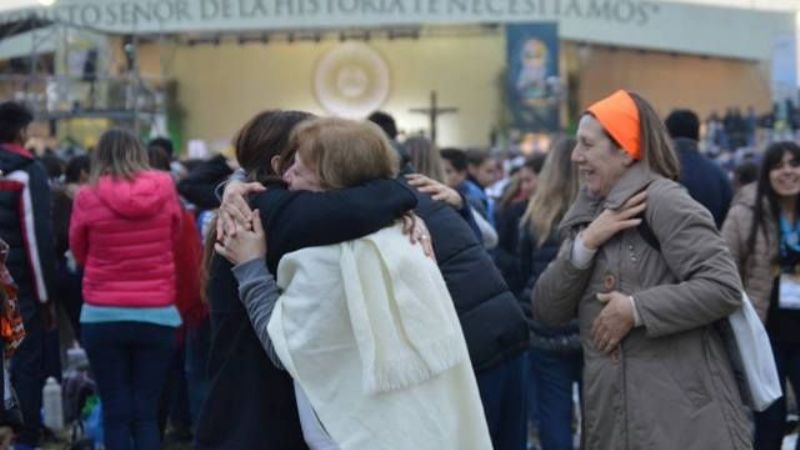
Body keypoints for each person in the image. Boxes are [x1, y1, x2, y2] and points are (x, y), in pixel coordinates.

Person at [217, 117, 492, 449]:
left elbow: (286, 349)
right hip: (427, 426)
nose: (285, 178)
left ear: (328, 178)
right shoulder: (403, 231)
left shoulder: (323, 257)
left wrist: (250, 267)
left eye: (298, 170)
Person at [531, 89, 750, 449]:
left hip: (680, 426)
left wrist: (635, 310)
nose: (575, 156)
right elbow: (547, 310)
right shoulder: (586, 213)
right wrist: (586, 244)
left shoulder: (665, 200)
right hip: (613, 420)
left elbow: (723, 287)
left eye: (587, 144)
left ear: (625, 150)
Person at [196, 110, 419, 450]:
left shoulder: (255, 203)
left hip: (244, 408)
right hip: (258, 416)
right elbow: (363, 206)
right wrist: (402, 202)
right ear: (279, 163)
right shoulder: (268, 207)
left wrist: (234, 181)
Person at [69, 128, 183, 450]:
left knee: (116, 411)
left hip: (102, 314)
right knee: (147, 413)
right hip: (157, 314)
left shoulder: (87, 196)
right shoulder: (166, 187)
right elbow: (173, 236)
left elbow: (79, 250)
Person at [721, 141, 800, 450]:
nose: (788, 172)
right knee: (770, 421)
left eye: (794, 164)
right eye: (778, 166)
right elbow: (724, 267)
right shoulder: (745, 213)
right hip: (765, 335)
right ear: (766, 173)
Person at [0, 101, 57, 449]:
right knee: (24, 366)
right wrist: (45, 298)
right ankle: (24, 439)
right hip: (17, 292)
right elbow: (37, 241)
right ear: (22, 131)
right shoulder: (26, 172)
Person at [518, 138, 581, 450]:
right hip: (589, 326)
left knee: (553, 415)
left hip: (544, 326)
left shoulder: (536, 214)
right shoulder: (599, 213)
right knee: (600, 415)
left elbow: (523, 270)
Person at [665, 109, 733, 228]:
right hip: (709, 237)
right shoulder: (718, 174)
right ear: (698, 135)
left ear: (666, 135)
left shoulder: (655, 172)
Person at [494, 154, 545, 296]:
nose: (524, 187)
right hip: (519, 288)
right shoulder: (514, 211)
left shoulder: (558, 214)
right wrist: (518, 264)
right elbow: (499, 249)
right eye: (522, 181)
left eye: (528, 180)